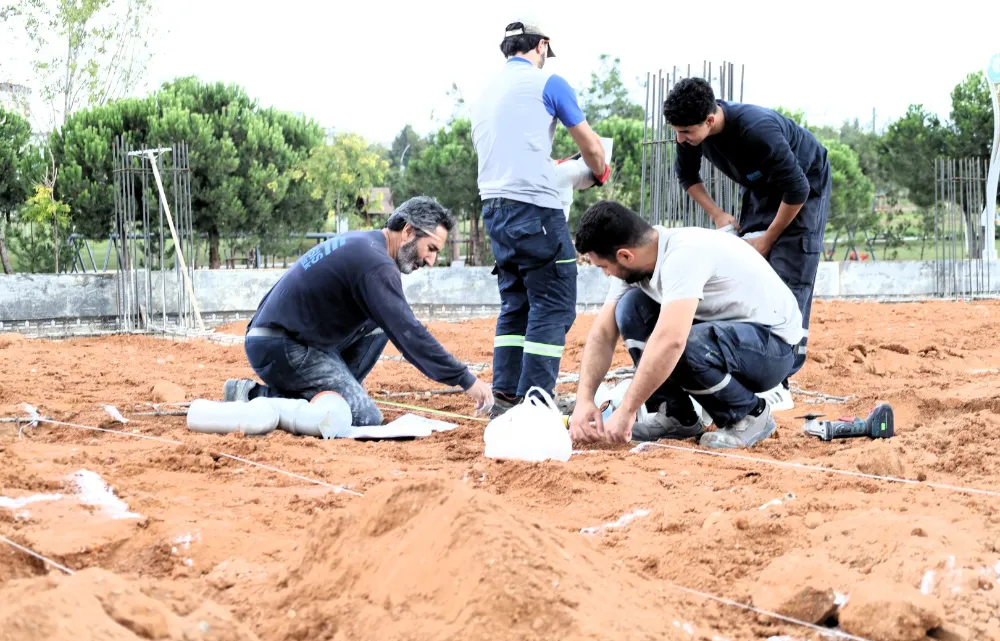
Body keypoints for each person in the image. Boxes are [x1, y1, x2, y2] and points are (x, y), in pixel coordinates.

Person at [222, 196, 494, 424]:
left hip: (288, 340)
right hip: (282, 347)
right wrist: (465, 379)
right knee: (364, 416)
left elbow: (395, 324)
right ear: (409, 231)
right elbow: (408, 332)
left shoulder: (367, 246)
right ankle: (254, 396)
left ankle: (342, 389)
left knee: (381, 322)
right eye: (431, 248)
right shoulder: (376, 264)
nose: (432, 261)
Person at [568, 200, 804, 449]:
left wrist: (627, 411)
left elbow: (672, 341)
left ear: (625, 255)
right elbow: (603, 333)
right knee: (630, 308)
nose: (605, 274)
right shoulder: (638, 258)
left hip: (773, 349)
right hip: (729, 335)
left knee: (682, 345)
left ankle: (749, 415)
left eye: (604, 267)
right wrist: (584, 400)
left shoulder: (683, 255)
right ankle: (677, 416)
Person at [662, 77, 831, 411]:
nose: (680, 139)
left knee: (787, 272)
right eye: (676, 131)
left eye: (686, 132)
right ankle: (749, 366)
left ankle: (780, 381)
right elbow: (688, 178)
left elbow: (796, 189)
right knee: (750, 273)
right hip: (759, 186)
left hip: (803, 185)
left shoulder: (757, 129)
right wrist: (718, 214)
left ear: (710, 121)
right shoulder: (689, 133)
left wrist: (768, 239)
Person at [469, 19, 608, 418]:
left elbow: (510, 151)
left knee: (516, 304)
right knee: (553, 304)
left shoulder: (485, 91)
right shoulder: (550, 83)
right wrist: (598, 171)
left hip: (494, 209)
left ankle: (507, 397)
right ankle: (535, 401)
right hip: (535, 210)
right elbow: (592, 147)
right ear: (541, 46)